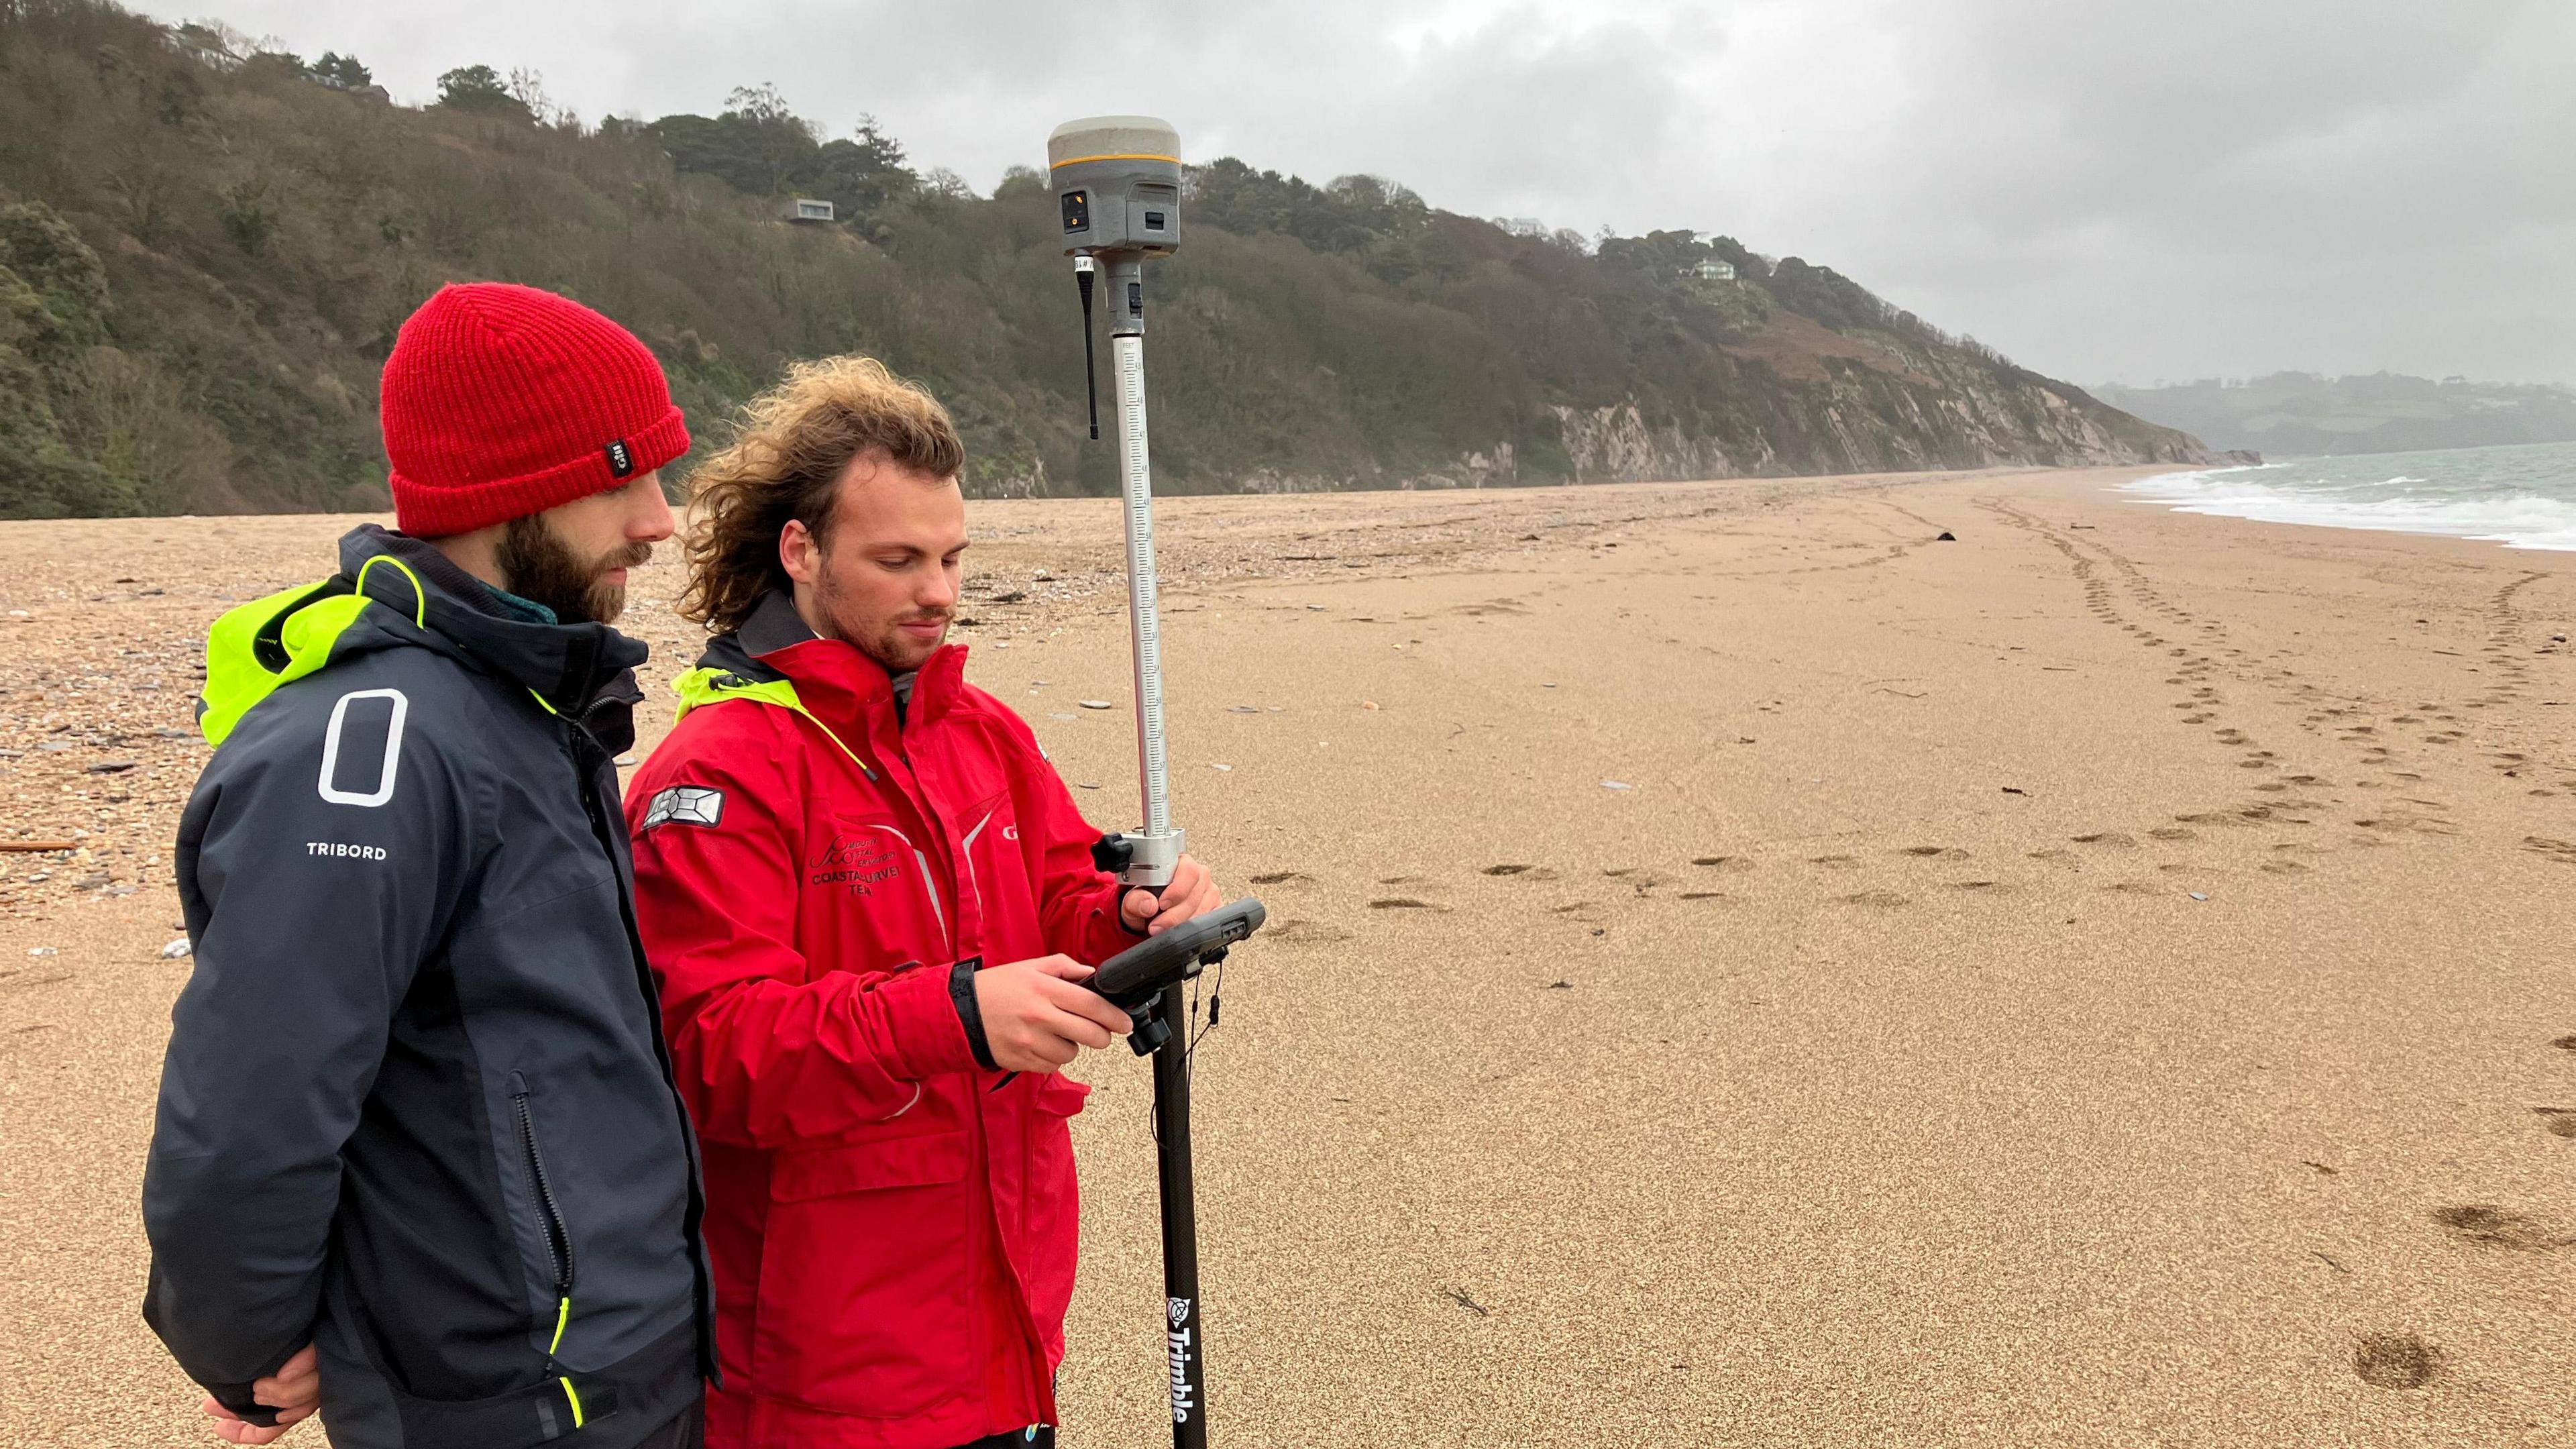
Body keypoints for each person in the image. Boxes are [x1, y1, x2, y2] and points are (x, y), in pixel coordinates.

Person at [144, 282, 716, 1448]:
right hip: (502, 1394)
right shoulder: (376, 741)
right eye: (622, 477)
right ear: (506, 488)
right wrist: (253, 1340)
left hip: (624, 1362)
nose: (660, 519)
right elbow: (256, 1099)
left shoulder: (530, 703)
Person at [625, 356, 1224, 1449]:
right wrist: (952, 1016)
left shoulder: (978, 730)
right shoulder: (715, 773)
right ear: (799, 552)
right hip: (826, 1367)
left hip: (1007, 1313)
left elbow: (1056, 894)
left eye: (950, 557)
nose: (939, 592)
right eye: (897, 560)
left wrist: (1131, 917)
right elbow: (709, 1050)